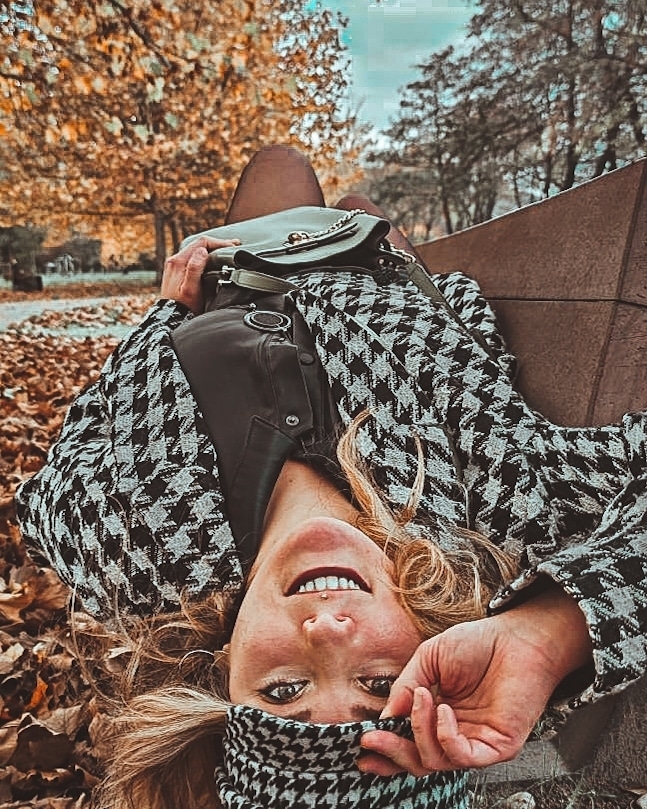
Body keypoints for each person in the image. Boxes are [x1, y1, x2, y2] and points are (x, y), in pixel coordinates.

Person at [15, 145, 647, 808]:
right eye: (380, 683)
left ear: (223, 677)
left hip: (233, 273)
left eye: (284, 691)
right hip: (374, 271)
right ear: (435, 652)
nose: (328, 632)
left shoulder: (132, 553)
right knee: (352, 204)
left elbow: (75, 447)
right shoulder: (498, 513)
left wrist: (166, 313)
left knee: (279, 165)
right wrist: (548, 633)